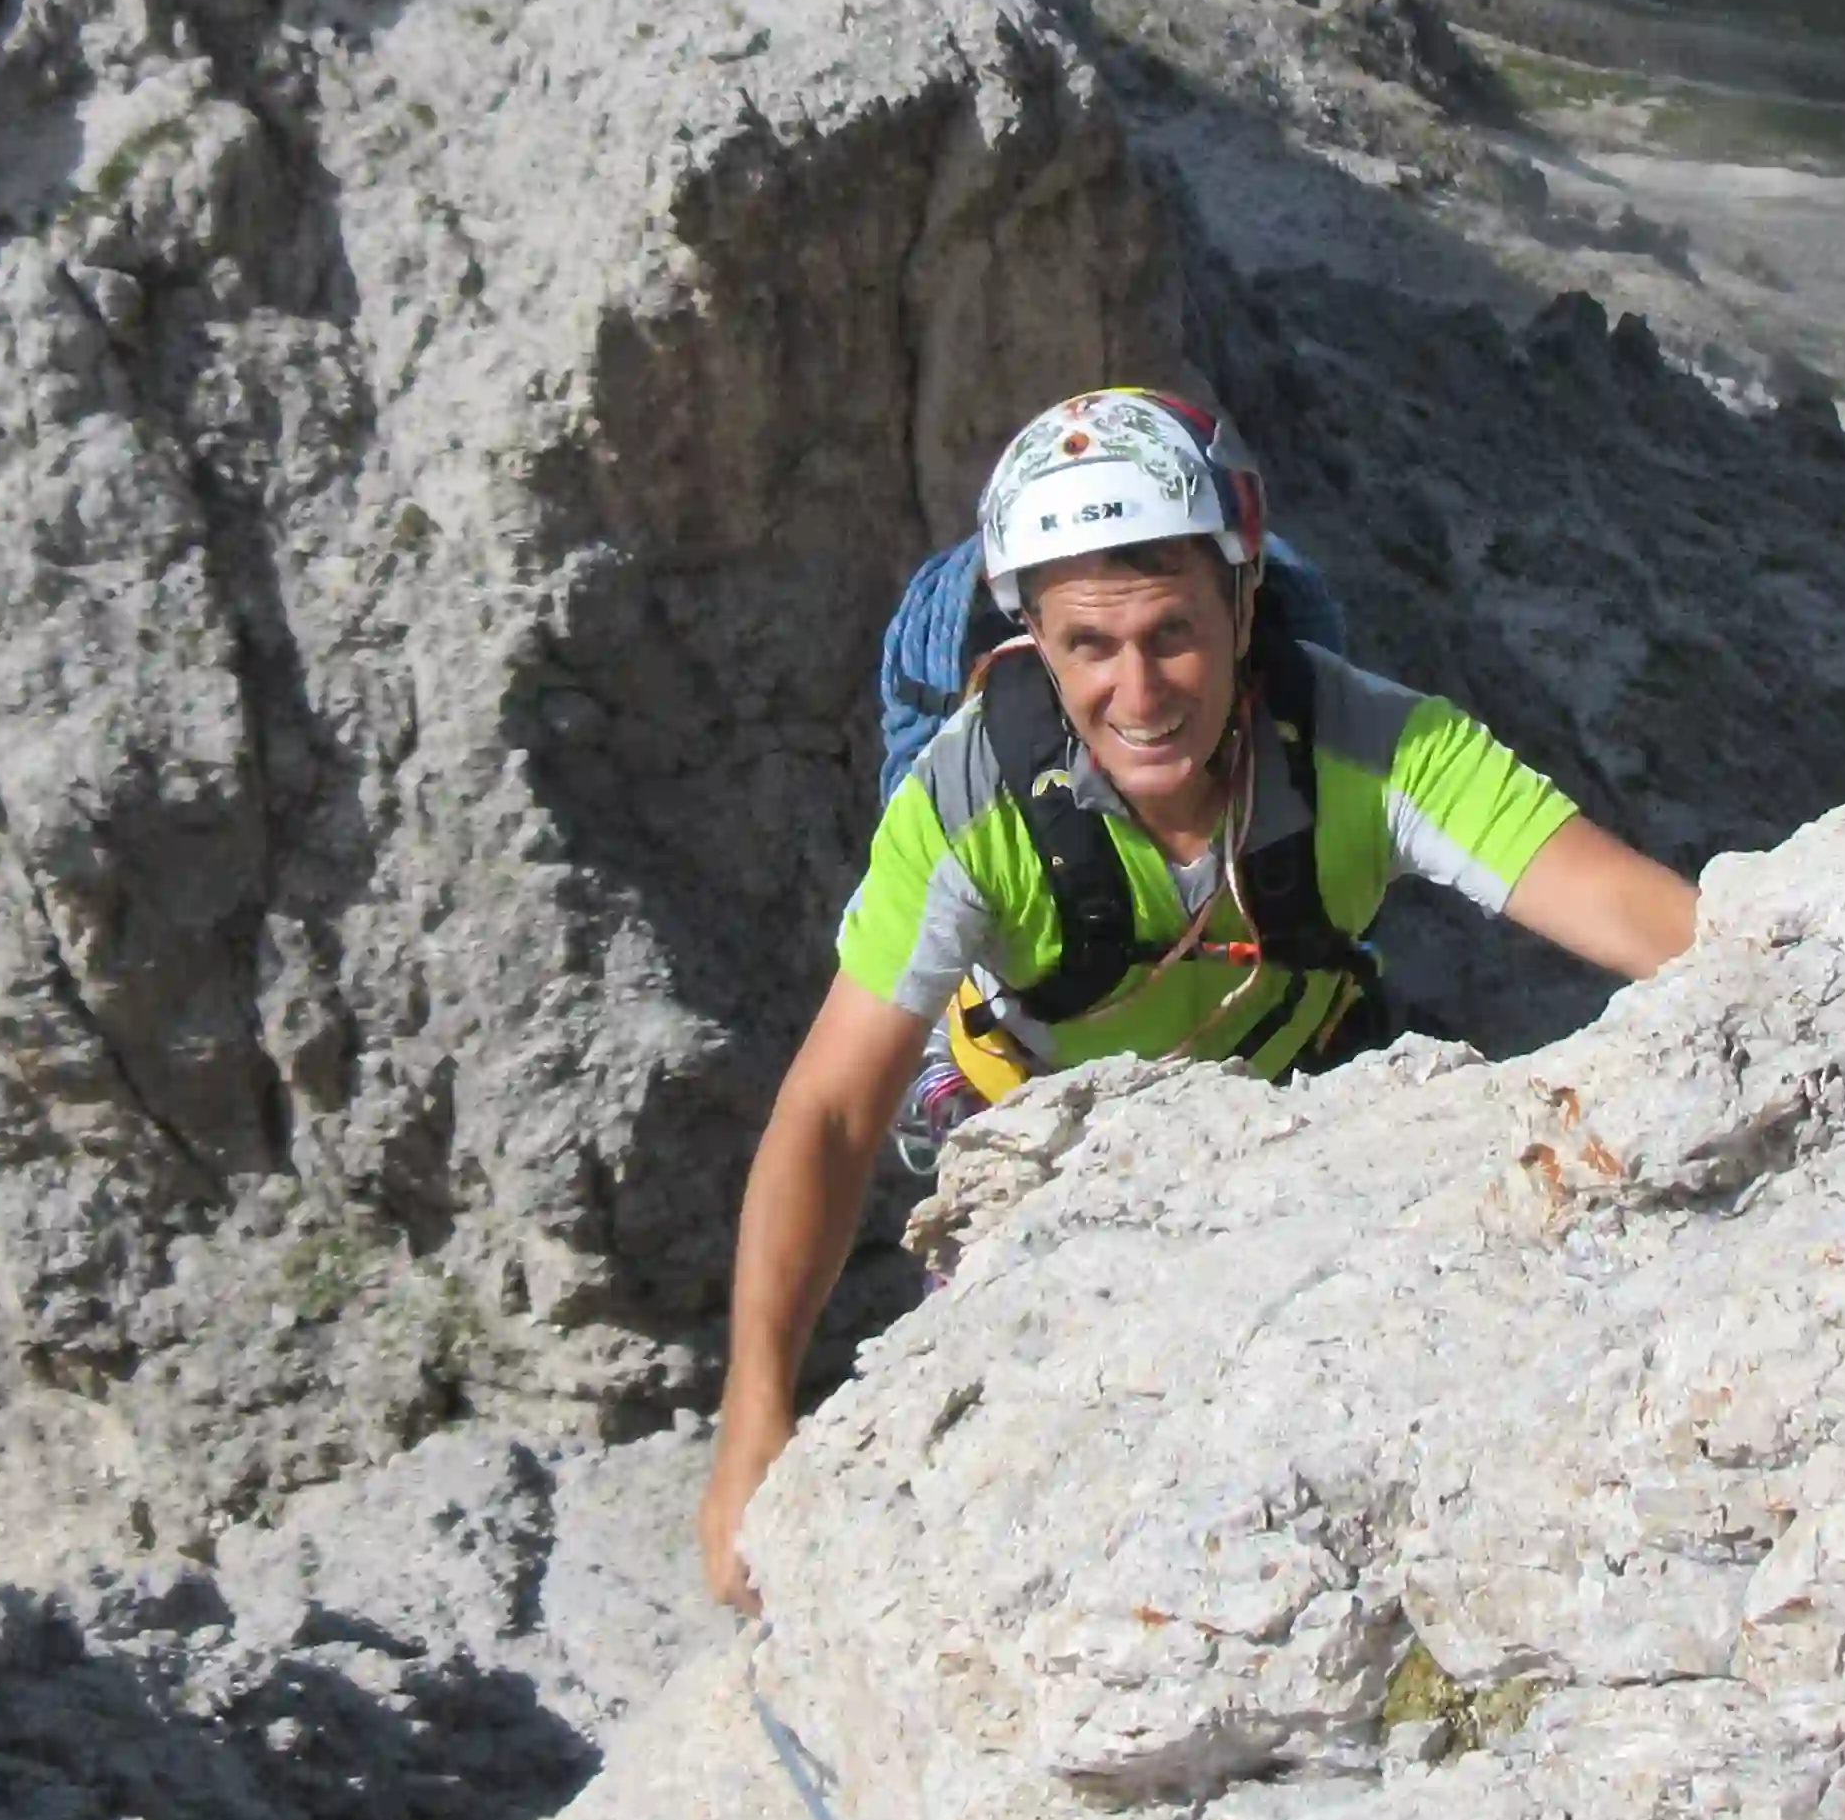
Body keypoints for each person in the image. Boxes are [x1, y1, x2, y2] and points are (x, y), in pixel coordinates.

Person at [699, 389, 1701, 1605]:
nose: (1138, 693)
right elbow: (833, 1111)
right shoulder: (971, 803)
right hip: (1032, 1142)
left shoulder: (1378, 748)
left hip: (1289, 1115)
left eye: (1171, 631)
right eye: (1088, 648)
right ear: (1037, 644)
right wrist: (753, 1415)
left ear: (1242, 604)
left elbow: (1651, 923)